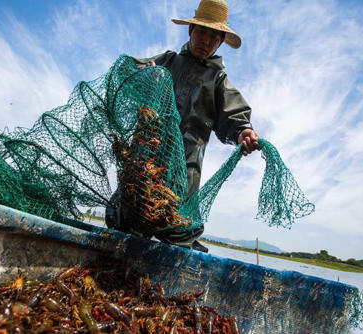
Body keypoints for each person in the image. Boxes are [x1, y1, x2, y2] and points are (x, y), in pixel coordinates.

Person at [106, 0, 260, 252]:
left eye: (214, 36)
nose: (206, 40)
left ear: (221, 42)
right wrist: (144, 74)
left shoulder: (217, 81)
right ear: (190, 31)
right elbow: (131, 72)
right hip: (146, 159)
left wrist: (243, 131)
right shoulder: (168, 61)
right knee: (128, 216)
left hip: (184, 172)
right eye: (201, 31)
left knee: (174, 228)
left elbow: (234, 117)